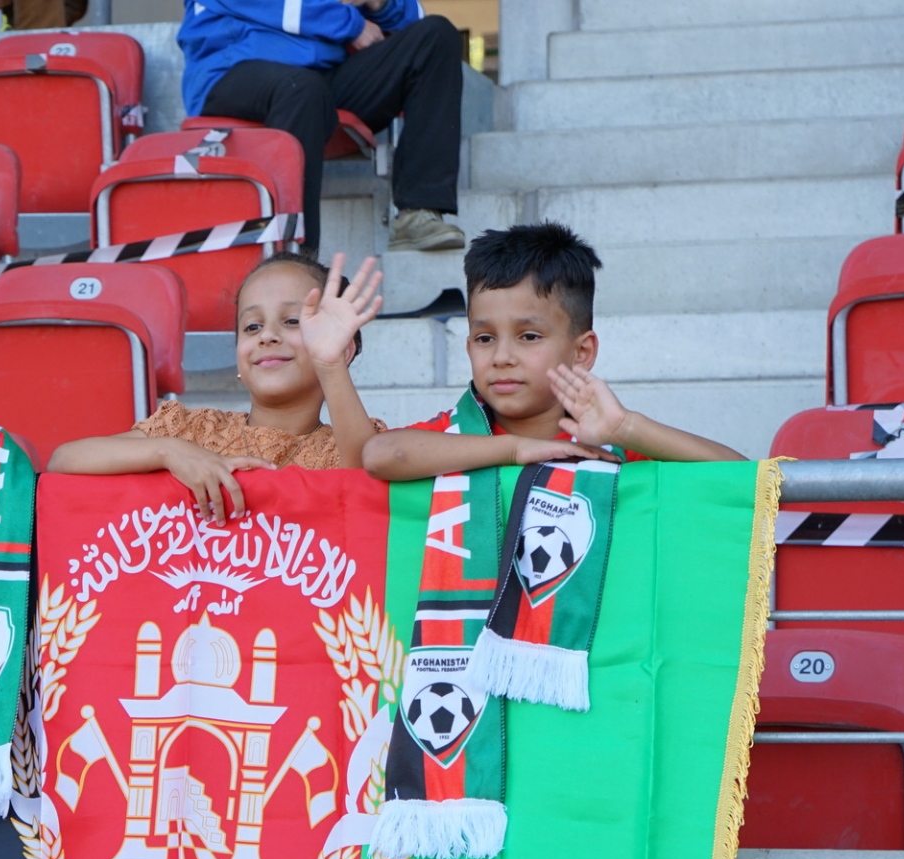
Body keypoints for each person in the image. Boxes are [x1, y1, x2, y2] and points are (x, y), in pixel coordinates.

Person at [363, 223, 744, 480]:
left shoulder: (610, 449)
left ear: (582, 352)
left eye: (529, 337)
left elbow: (742, 475)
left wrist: (627, 428)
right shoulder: (455, 438)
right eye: (485, 338)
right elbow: (380, 454)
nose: (501, 357)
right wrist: (514, 450)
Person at [46, 250, 384, 521]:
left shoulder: (354, 443)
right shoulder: (191, 431)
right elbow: (64, 460)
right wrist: (170, 452)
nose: (267, 335)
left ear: (344, 348)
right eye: (252, 327)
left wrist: (330, 363)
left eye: (293, 321)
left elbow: (369, 488)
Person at [180, 1, 467, 254]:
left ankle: (417, 213)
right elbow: (280, 8)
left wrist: (379, 3)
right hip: (233, 70)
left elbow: (414, 16)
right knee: (302, 90)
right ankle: (293, 259)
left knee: (436, 35)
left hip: (320, 78)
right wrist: (352, 25)